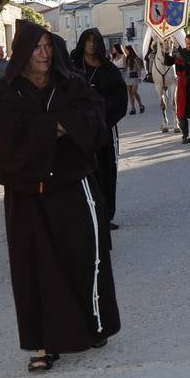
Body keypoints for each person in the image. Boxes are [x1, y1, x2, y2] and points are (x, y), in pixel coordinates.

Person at [0, 22, 120, 373]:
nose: (44, 53)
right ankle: (44, 345)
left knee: (85, 258)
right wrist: (58, 127)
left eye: (48, 46)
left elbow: (94, 121)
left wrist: (43, 128)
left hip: (73, 187)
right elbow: (2, 140)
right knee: (35, 269)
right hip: (27, 193)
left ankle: (92, 326)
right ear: (22, 52)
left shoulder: (71, 84)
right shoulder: (4, 93)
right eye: (36, 47)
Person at [72, 28, 128, 230]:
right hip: (78, 131)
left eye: (95, 40)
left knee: (106, 172)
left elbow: (121, 100)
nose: (91, 44)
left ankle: (105, 215)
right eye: (87, 40)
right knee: (80, 173)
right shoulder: (73, 68)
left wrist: (103, 120)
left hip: (103, 130)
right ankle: (83, 214)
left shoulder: (109, 70)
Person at [123, 46, 145, 114]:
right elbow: (125, 68)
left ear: (130, 50)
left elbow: (139, 68)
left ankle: (141, 105)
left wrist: (139, 76)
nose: (125, 51)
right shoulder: (126, 58)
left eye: (126, 50)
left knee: (134, 92)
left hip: (134, 76)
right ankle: (133, 108)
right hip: (128, 77)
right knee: (130, 93)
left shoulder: (136, 58)